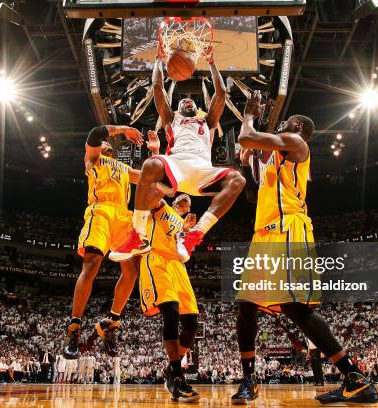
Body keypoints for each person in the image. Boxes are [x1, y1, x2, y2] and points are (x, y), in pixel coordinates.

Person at [232, 90, 378, 405]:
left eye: (287, 120)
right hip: (265, 235)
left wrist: (249, 115)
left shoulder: (298, 145)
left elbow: (247, 136)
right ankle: (248, 380)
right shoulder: (276, 157)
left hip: (289, 231)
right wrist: (248, 157)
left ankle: (354, 377)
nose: (283, 121)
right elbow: (250, 173)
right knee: (246, 305)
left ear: (297, 128)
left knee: (294, 308)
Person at [109, 48, 245, 263]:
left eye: (191, 101)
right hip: (177, 165)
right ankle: (138, 236)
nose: (187, 101)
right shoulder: (171, 119)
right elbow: (157, 87)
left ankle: (195, 234)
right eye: (183, 102)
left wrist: (211, 62)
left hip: (202, 169)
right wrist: (159, 59)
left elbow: (221, 94)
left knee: (238, 179)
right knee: (151, 164)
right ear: (178, 108)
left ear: (197, 107)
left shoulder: (207, 121)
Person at [64, 126, 160, 359]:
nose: (108, 143)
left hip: (123, 216)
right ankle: (74, 328)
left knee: (132, 271)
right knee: (92, 263)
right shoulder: (93, 159)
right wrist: (123, 130)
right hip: (101, 211)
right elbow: (95, 132)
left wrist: (155, 151)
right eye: (106, 142)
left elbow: (151, 178)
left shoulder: (125, 168)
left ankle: (112, 323)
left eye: (110, 144)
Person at [139, 193, 201, 402]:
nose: (185, 204)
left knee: (192, 323)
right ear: (175, 201)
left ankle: (169, 370)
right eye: (182, 201)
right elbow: (151, 192)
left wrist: (188, 229)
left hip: (178, 266)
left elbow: (184, 248)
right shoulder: (161, 207)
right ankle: (177, 377)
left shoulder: (182, 225)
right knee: (171, 311)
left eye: (188, 204)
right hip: (158, 259)